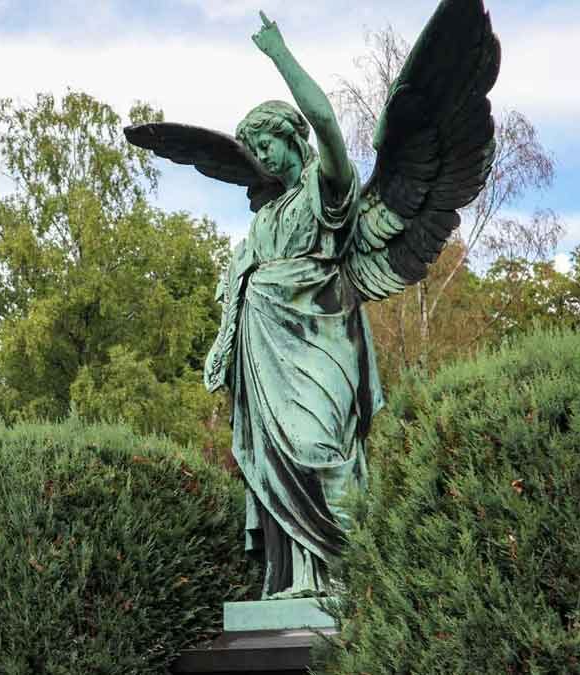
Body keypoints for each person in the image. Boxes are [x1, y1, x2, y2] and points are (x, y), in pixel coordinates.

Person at [203, 13, 384, 598]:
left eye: (268, 144)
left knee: (317, 449)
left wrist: (279, 55)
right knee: (276, 462)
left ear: (292, 139)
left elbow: (327, 121)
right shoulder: (263, 221)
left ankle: (352, 575)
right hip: (265, 356)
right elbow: (238, 284)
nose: (262, 156)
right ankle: (299, 578)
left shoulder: (325, 189)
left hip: (321, 340)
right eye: (254, 150)